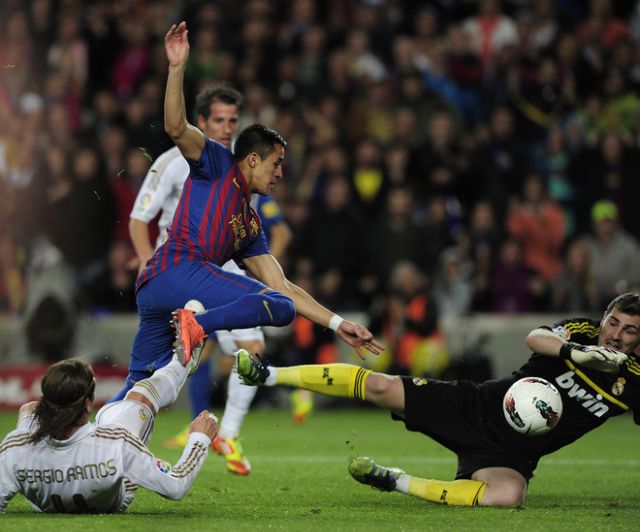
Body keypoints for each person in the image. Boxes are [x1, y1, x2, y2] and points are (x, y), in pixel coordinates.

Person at [112, 19, 383, 462]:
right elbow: (176, 126)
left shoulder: (250, 225)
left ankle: (84, 447)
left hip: (156, 287)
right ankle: (198, 326)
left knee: (138, 382)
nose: (281, 174)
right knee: (278, 310)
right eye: (277, 164)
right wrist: (176, 68)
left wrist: (338, 324)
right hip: (178, 271)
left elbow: (284, 284)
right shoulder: (216, 161)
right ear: (253, 159)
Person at [236, 292, 640, 507]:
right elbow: (536, 337)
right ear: (603, 319)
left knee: (508, 496)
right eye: (613, 323)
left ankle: (393, 480)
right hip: (475, 406)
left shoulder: (635, 380)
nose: (615, 335)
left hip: (512, 454)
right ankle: (268, 374)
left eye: (629, 331)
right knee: (381, 387)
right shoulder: (581, 332)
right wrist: (575, 353)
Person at [128, 81, 295, 475]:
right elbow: (140, 217)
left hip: (219, 264)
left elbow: (265, 234)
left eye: (232, 121)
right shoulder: (177, 161)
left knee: (251, 345)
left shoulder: (241, 171)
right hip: (177, 268)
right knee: (169, 361)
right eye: (218, 120)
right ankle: (184, 420)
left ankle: (225, 433)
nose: (226, 127)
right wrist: (146, 260)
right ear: (201, 121)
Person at [0, 338, 217, 513]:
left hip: (43, 502)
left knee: (28, 410)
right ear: (88, 404)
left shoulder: (15, 447)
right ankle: (182, 361)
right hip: (113, 498)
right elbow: (175, 486)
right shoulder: (117, 442)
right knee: (141, 396)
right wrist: (199, 439)